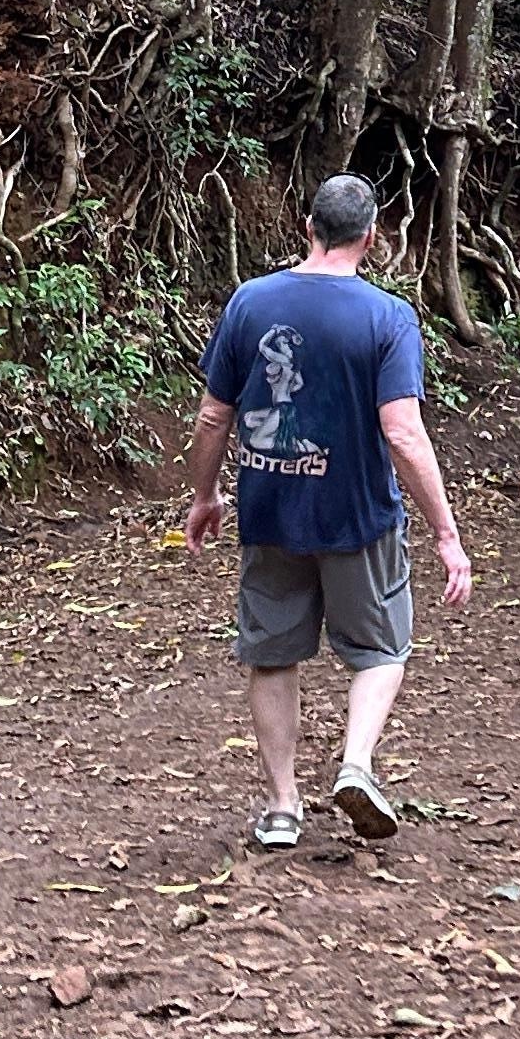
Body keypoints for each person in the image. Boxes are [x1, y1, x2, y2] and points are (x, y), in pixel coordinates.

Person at [184, 173, 471, 851]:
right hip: (357, 517)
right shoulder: (387, 317)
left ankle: (283, 809)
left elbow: (211, 414)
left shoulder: (250, 302)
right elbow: (402, 431)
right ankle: (355, 764)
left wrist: (204, 496)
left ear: (306, 227)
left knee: (273, 655)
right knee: (381, 648)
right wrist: (444, 531)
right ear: (371, 238)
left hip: (270, 511)